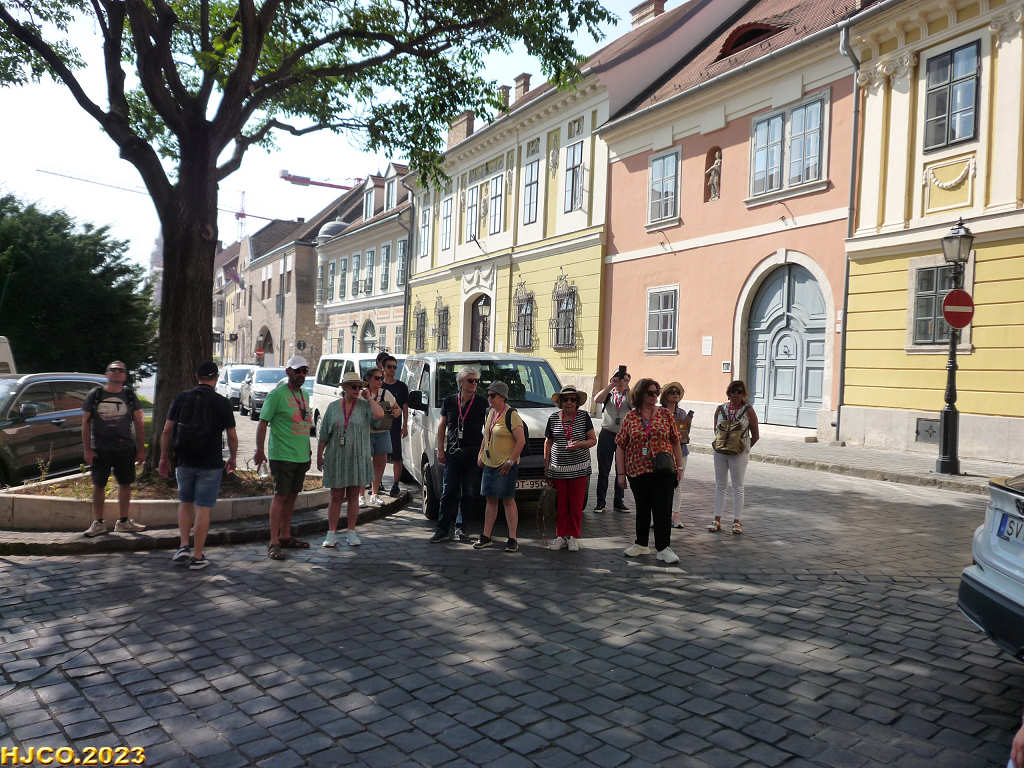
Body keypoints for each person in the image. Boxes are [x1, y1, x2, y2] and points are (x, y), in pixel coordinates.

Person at [158, 361, 238, 570]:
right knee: (203, 508)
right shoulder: (222, 402)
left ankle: (183, 546)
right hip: (210, 462)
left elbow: (166, 430)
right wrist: (233, 458)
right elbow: (231, 435)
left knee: (185, 502)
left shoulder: (181, 398)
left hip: (184, 460)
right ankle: (197, 555)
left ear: (197, 377)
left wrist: (164, 457)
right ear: (216, 378)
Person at [615, 378, 685, 564]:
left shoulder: (665, 414)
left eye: (657, 392)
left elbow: (675, 441)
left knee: (663, 509)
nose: (655, 396)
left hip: (663, 469)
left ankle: (663, 548)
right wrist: (621, 474)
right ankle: (641, 543)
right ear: (640, 394)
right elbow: (620, 445)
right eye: (650, 393)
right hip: (637, 470)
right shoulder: (630, 417)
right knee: (642, 508)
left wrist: (679, 467)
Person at [254, 355, 313, 561]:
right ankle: (274, 541)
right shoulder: (277, 394)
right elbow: (263, 423)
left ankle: (286, 535)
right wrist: (259, 450)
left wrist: (308, 451)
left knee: (292, 496)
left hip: (300, 456)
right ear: (288, 372)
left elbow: (305, 425)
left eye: (304, 371)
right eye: (298, 371)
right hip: (282, 455)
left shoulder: (305, 394)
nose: (301, 375)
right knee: (280, 497)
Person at [317, 370, 385, 547]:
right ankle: (331, 533)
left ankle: (351, 532)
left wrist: (369, 398)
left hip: (358, 457)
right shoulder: (333, 407)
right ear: (345, 388)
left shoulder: (364, 406)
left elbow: (380, 415)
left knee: (354, 496)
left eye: (359, 387)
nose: (357, 390)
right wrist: (319, 456)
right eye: (353, 387)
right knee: (336, 496)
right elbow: (324, 434)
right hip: (336, 457)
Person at [81, 360, 147, 536]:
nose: (117, 372)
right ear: (107, 374)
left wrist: (141, 449)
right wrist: (87, 449)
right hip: (100, 448)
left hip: (125, 448)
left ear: (125, 376)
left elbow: (139, 422)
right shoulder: (96, 394)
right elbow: (85, 423)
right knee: (98, 485)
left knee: (125, 484)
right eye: (113, 369)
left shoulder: (129, 395)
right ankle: (98, 523)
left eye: (121, 370)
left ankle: (124, 521)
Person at [429, 365, 487, 543]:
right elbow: (442, 426)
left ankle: (462, 527)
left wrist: (484, 452)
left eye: (476, 381)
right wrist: (440, 448)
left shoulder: (482, 402)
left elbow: (489, 428)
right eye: (471, 380)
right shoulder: (449, 401)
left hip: (473, 453)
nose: (474, 383)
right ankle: (443, 529)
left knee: (468, 493)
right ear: (461, 382)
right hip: (453, 452)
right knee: (448, 491)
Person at [474, 381, 526, 552]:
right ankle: (486, 536)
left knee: (508, 500)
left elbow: (521, 441)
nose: (489, 399)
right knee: (490, 500)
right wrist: (481, 453)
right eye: (488, 395)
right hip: (490, 464)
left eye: (492, 395)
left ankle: (512, 538)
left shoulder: (511, 415)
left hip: (505, 466)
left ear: (503, 397)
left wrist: (510, 461)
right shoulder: (490, 412)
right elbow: (486, 436)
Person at [544, 385, 597, 552]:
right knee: (560, 505)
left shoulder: (584, 416)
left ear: (577, 402)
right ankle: (560, 536)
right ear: (560, 402)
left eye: (573, 399)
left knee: (575, 505)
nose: (569, 402)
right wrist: (546, 466)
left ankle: (573, 537)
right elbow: (548, 442)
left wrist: (580, 444)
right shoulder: (553, 418)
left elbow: (593, 440)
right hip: (558, 469)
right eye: (565, 399)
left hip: (579, 469)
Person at [709, 379, 759, 535]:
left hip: (739, 454)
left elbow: (756, 435)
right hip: (720, 452)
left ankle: (737, 521)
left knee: (738, 486)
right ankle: (716, 519)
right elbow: (716, 431)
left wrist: (744, 448)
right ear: (728, 393)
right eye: (733, 391)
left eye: (739, 392)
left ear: (744, 394)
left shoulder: (748, 410)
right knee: (720, 485)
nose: (735, 394)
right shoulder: (720, 409)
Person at [592, 370, 631, 513]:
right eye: (618, 378)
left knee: (621, 470)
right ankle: (600, 502)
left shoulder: (629, 394)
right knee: (604, 470)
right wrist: (611, 385)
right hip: (607, 434)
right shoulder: (609, 394)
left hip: (624, 435)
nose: (620, 381)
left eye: (624, 379)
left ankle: (619, 501)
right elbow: (597, 399)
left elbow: (634, 404)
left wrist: (627, 386)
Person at [364, 366, 398, 505]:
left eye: (381, 378)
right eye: (377, 378)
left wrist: (394, 413)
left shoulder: (385, 393)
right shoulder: (362, 394)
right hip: (365, 433)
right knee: (364, 464)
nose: (380, 381)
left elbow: (397, 409)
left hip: (382, 432)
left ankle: (375, 493)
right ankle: (361, 496)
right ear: (368, 379)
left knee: (380, 465)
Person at [660, 382, 692, 529]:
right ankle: (659, 516)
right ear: (665, 395)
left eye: (677, 392)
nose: (675, 394)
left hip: (681, 452)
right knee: (660, 485)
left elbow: (685, 434)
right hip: (662, 453)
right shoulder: (659, 412)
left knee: (677, 484)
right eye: (672, 392)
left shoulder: (682, 413)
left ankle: (676, 516)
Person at [381, 354, 409, 497]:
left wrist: (405, 426)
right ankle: (377, 483)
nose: (392, 369)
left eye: (394, 367)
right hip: (379, 427)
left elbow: (404, 407)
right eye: (389, 367)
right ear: (383, 368)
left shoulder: (402, 386)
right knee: (379, 456)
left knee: (397, 457)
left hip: (395, 427)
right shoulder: (379, 385)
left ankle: (396, 484)